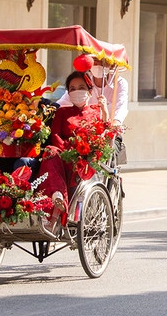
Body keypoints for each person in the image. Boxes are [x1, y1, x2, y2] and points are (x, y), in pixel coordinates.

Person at [36, 70, 109, 229]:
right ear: (68, 93)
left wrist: (105, 111)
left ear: (90, 91)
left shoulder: (96, 111)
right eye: (73, 89)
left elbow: (102, 134)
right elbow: (55, 134)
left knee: (75, 163)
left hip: (84, 159)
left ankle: (56, 211)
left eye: (81, 88)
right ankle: (58, 196)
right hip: (63, 154)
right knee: (50, 151)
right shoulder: (62, 112)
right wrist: (67, 152)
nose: (77, 92)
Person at [57, 60, 128, 124]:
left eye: (103, 62)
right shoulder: (84, 80)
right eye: (95, 61)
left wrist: (114, 125)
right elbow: (63, 102)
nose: (98, 65)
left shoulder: (119, 83)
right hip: (84, 127)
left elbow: (121, 107)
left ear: (111, 65)